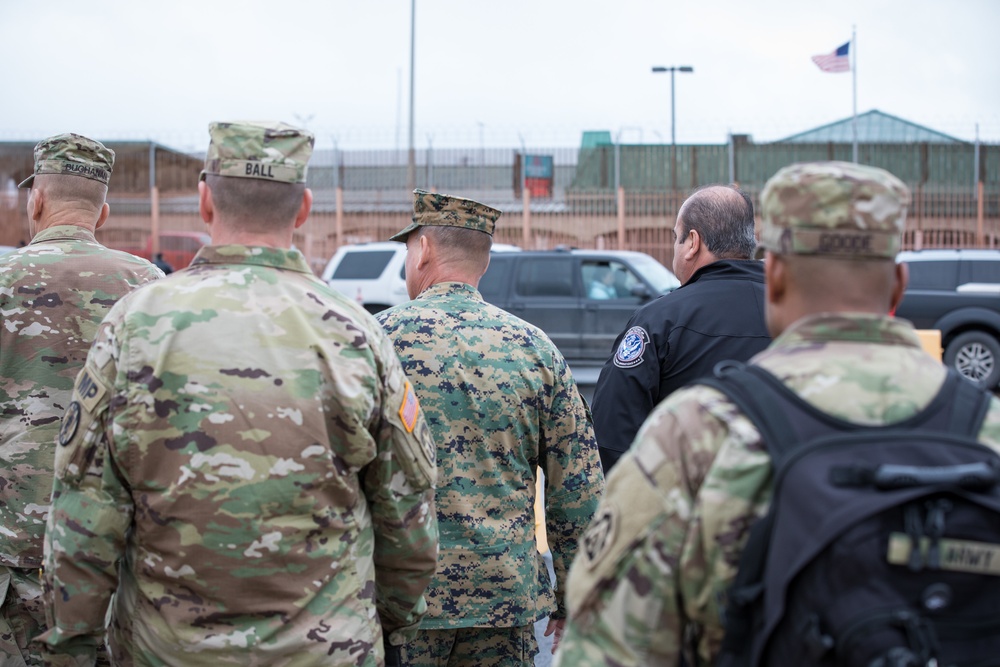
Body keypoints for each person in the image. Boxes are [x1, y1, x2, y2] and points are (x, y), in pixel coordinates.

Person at [552, 161, 1000, 666]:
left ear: (778, 276)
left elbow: (609, 644)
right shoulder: (987, 428)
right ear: (898, 285)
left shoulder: (694, 432)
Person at [39, 121, 439, 666]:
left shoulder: (136, 325)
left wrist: (76, 643)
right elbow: (408, 509)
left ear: (205, 201)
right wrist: (385, 618)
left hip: (169, 651)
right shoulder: (358, 334)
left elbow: (84, 507)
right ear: (304, 209)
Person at [377, 189, 604, 667]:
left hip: (401, 602)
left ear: (423, 249)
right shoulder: (536, 350)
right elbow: (578, 489)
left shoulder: (378, 341)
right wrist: (574, 597)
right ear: (484, 264)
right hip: (504, 598)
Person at [0, 133, 163, 665]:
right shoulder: (150, 287)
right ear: (104, 212)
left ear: (36, 201)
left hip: (12, 552)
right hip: (111, 553)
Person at [590, 184, 770, 472]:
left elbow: (612, 436)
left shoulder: (659, 320)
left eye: (677, 237)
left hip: (687, 506)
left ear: (693, 243)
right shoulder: (798, 314)